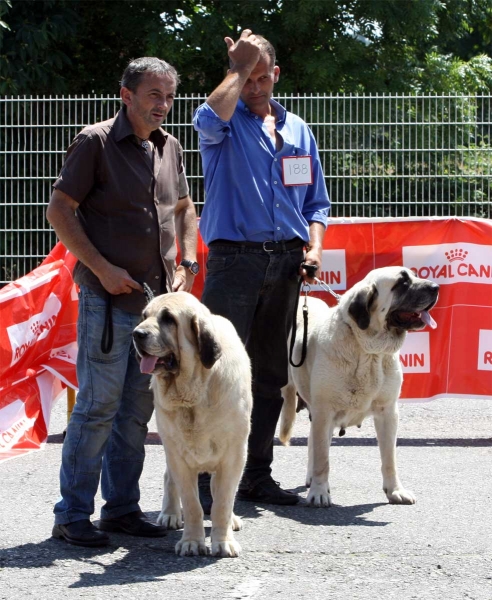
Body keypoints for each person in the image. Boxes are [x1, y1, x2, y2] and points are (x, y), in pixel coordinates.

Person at [46, 57, 199, 547]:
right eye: (154, 95)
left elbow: (183, 207)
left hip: (156, 310)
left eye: (169, 96)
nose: (163, 105)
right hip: (107, 303)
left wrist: (188, 263)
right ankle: (71, 516)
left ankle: (121, 510)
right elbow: (59, 210)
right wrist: (102, 269)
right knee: (97, 407)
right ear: (125, 95)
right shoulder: (94, 142)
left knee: (136, 408)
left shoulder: (169, 146)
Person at [193, 30, 330, 511]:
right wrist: (235, 66)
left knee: (270, 373)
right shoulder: (224, 123)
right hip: (235, 260)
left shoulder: (299, 130)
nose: (253, 85)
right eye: (245, 77)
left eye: (260, 75)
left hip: (289, 262)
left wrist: (314, 249)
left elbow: (316, 203)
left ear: (276, 75)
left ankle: (255, 475)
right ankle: (207, 482)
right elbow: (206, 117)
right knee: (215, 367)